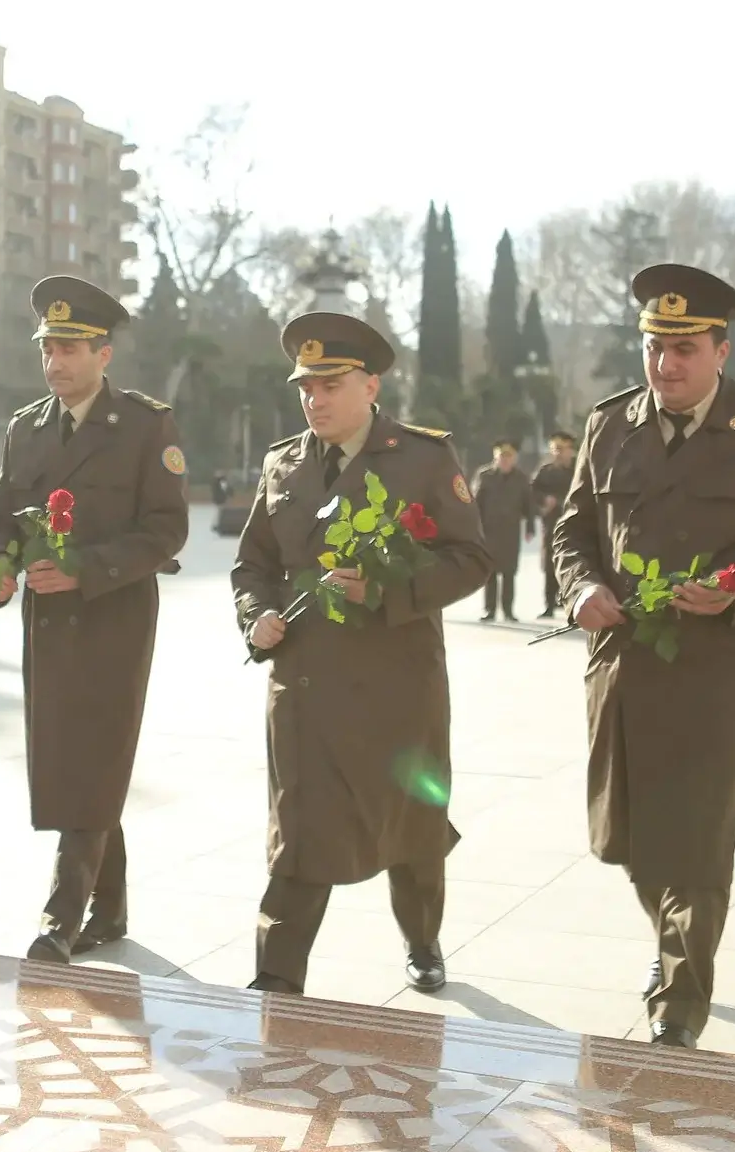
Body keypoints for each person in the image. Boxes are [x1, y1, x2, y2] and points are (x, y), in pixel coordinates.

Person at [552, 264, 735, 1049]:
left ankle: (681, 997)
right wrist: (579, 590)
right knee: (636, 834)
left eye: (682, 348)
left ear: (720, 350)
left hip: (717, 669)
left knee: (699, 832)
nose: (665, 364)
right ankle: (669, 939)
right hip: (624, 664)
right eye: (653, 346)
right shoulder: (610, 426)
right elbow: (573, 532)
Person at [230, 312, 491, 997]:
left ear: (370, 384)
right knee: (299, 832)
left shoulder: (424, 458)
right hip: (306, 685)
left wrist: (386, 588)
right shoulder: (282, 464)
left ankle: (422, 936)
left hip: (395, 687)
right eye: (305, 387)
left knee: (410, 829)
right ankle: (276, 978)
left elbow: (470, 558)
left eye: (330, 384)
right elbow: (251, 563)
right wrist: (255, 617)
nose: (314, 398)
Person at [0, 277, 190, 964]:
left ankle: (60, 916)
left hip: (113, 617)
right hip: (45, 622)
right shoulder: (25, 427)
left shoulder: (143, 425)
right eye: (48, 348)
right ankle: (113, 905)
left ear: (103, 354)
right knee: (78, 760)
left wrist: (85, 568)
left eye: (69, 348)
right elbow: (5, 519)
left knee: (94, 755)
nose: (56, 362)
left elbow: (166, 531)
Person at [469, 440, 533, 622]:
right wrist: (474, 527)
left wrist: (530, 527)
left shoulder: (521, 478)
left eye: (508, 457)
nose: (504, 461)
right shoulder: (484, 475)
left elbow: (528, 504)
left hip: (510, 531)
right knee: (489, 572)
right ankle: (489, 609)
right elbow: (474, 503)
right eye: (501, 457)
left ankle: (508, 610)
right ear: (495, 457)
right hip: (488, 531)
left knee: (509, 572)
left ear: (514, 459)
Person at [530, 431, 577, 618]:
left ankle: (570, 604)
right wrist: (543, 501)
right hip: (551, 524)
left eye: (562, 449)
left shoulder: (576, 471)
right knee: (550, 564)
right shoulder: (545, 471)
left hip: (573, 523)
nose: (559, 453)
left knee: (573, 564)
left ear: (570, 451)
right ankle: (549, 604)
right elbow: (532, 492)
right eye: (556, 449)